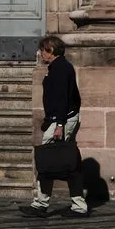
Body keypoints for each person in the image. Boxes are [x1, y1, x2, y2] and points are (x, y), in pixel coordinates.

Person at [32, 34, 84, 216]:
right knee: (67, 161)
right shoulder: (58, 67)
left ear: (51, 50)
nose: (41, 54)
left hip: (61, 120)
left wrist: (60, 124)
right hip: (60, 119)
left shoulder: (60, 68)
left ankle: (41, 204)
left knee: (48, 160)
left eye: (43, 50)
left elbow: (62, 99)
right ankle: (76, 205)